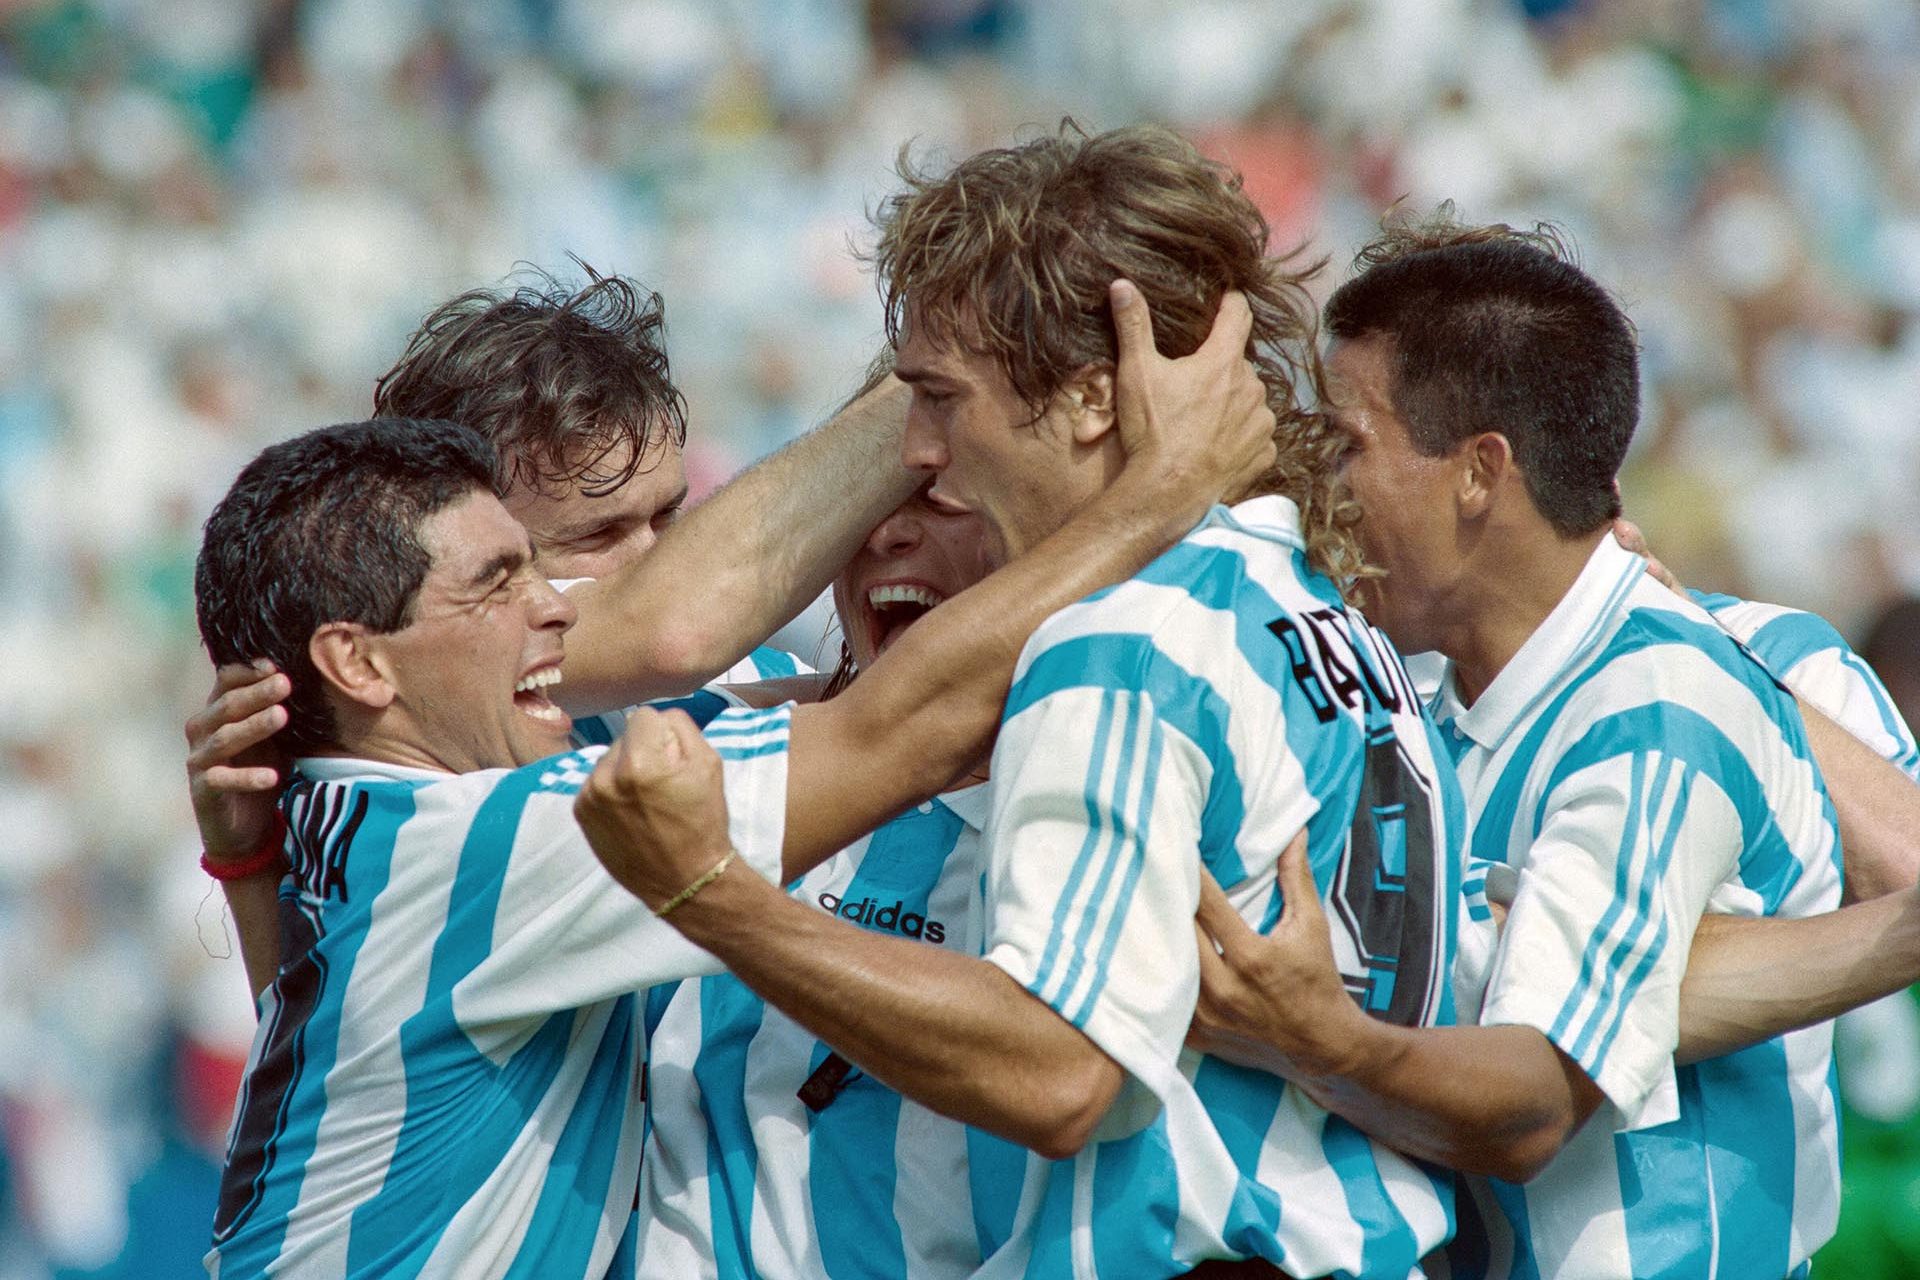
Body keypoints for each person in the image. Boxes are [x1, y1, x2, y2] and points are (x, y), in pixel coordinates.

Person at [193, 294, 1276, 1275]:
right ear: (362, 659)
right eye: (563, 551)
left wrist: (248, 867)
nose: (566, 608)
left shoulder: (368, 796)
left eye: (675, 516)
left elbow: (340, 1052)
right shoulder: (485, 825)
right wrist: (1149, 488)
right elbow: (886, 722)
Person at [576, 121, 1467, 1280]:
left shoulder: (1123, 641)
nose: (917, 454)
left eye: (941, 399)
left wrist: (713, 897)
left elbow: (1063, 1070)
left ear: (1094, 395)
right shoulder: (1333, 630)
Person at [1176, 213, 1842, 1280]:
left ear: (1480, 471)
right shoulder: (1420, 701)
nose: (1320, 483)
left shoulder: (1655, 711)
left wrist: (1308, 1034)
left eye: (1350, 442)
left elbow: (1533, 1102)